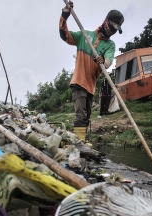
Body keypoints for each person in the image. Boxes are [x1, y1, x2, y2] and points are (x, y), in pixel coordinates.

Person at [59, 2, 124, 140]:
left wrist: (102, 61)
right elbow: (64, 36)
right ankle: (79, 146)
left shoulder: (110, 45)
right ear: (106, 22)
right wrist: (65, 15)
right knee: (81, 116)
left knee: (87, 117)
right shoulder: (85, 35)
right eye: (112, 27)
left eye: (115, 30)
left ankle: (79, 141)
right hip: (78, 82)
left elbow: (107, 62)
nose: (112, 32)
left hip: (90, 86)